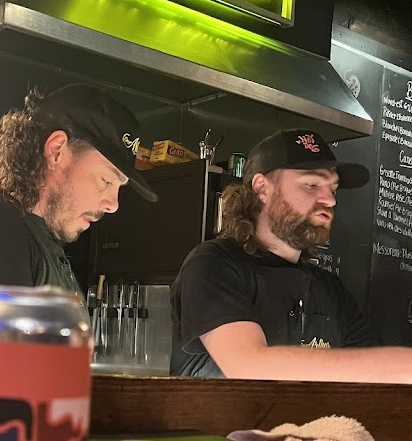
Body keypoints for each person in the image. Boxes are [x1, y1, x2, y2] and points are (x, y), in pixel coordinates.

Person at [0, 84, 157, 359]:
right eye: (106, 180)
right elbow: (5, 370)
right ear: (56, 151)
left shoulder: (35, 237)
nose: (113, 204)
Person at [171, 127, 412, 382]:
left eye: (333, 189)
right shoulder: (213, 265)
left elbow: (374, 384)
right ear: (262, 188)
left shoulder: (331, 290)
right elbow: (249, 365)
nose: (330, 200)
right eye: (311, 185)